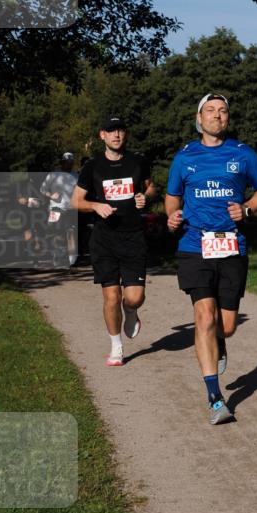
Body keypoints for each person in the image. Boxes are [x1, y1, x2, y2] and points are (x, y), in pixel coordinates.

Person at [165, 94, 257, 425]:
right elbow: (172, 198)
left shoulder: (242, 154)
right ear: (199, 117)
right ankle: (214, 397)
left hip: (231, 246)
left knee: (226, 326)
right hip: (194, 244)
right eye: (211, 111)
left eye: (223, 111)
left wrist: (248, 208)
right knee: (204, 315)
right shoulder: (185, 157)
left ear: (228, 119)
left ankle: (220, 343)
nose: (217, 116)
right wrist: (172, 216)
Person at [72, 117, 156, 367]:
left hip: (133, 237)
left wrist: (144, 196)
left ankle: (130, 311)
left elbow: (151, 188)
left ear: (125, 135)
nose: (116, 135)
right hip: (104, 239)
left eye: (120, 130)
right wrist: (95, 205)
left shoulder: (138, 162)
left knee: (134, 297)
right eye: (111, 131)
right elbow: (75, 201)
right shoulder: (92, 166)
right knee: (110, 296)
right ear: (102, 136)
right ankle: (116, 347)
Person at [40, 152, 78, 266]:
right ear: (62, 162)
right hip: (55, 208)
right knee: (57, 233)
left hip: (70, 208)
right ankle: (57, 256)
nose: (68, 164)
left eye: (70, 162)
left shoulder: (76, 176)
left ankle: (72, 260)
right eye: (66, 162)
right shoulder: (53, 175)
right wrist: (51, 195)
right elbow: (42, 189)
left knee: (71, 232)